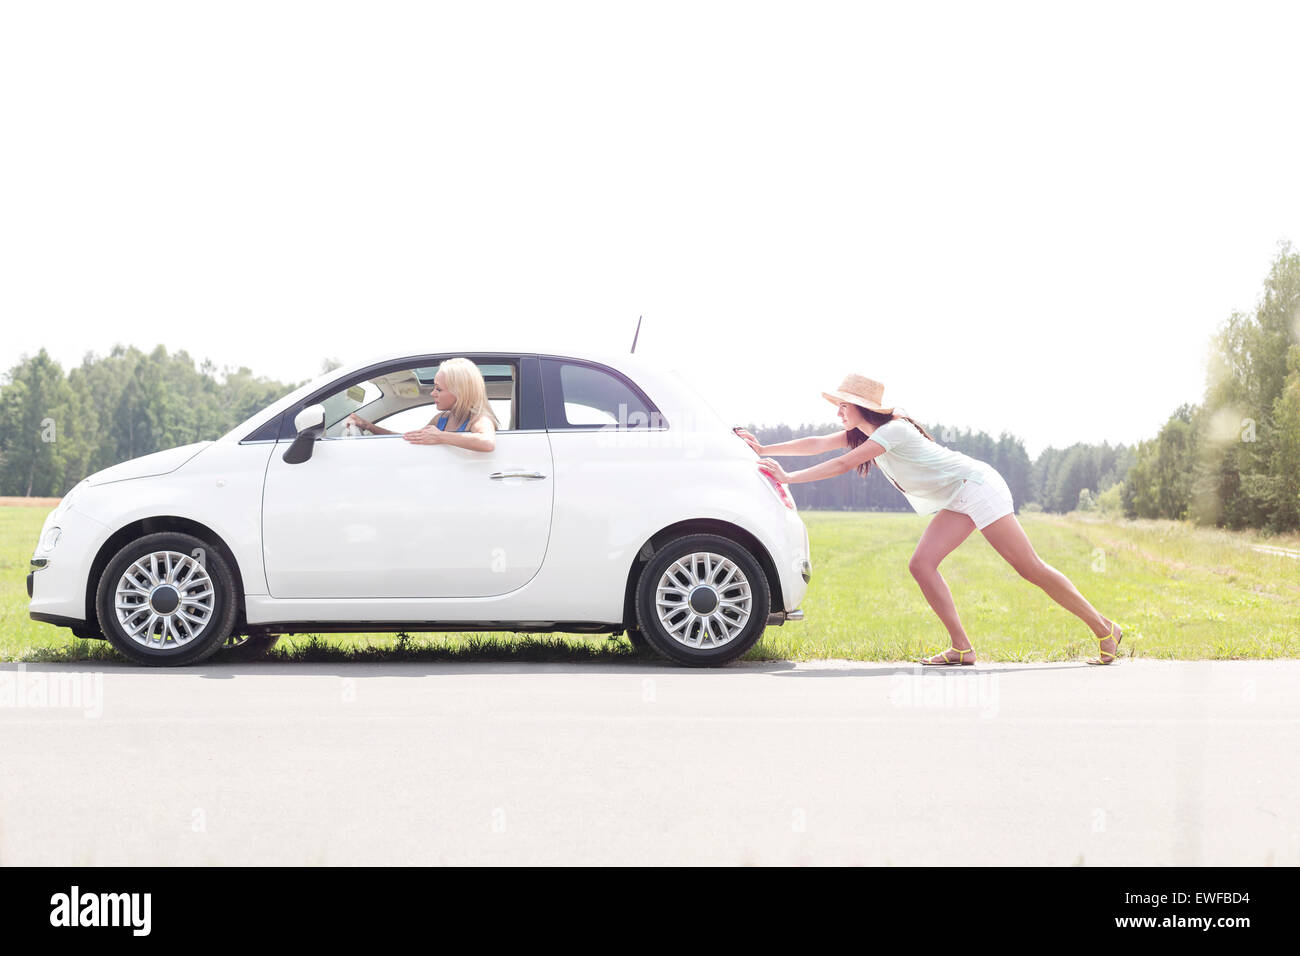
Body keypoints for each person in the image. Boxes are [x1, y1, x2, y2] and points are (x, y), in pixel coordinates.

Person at [737, 373, 1123, 666]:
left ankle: (1105, 629)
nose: (838, 412)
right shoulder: (864, 433)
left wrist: (788, 477)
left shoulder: (894, 431)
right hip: (958, 494)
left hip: (977, 486)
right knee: (922, 564)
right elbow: (820, 444)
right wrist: (764, 448)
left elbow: (840, 464)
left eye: (842, 406)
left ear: (859, 408)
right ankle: (961, 647)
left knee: (1029, 567)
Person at [345, 357, 499, 453]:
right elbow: (409, 439)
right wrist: (369, 426)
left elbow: (487, 443)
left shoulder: (479, 419)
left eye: (438, 389)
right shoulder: (441, 419)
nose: (433, 393)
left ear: (460, 392)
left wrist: (440, 437)